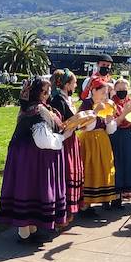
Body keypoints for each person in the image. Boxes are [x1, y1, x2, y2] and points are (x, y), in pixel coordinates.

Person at [0, 77, 69, 243]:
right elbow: (43, 141)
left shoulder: (32, 108)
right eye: (44, 91)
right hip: (32, 157)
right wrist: (64, 137)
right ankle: (25, 232)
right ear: (36, 93)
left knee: (27, 189)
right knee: (28, 189)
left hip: (24, 155)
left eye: (48, 91)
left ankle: (30, 229)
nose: (47, 94)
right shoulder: (37, 111)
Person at [76, 78, 119, 216]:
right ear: (93, 91)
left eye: (106, 93)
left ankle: (96, 200)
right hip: (88, 141)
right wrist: (95, 112)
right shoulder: (86, 104)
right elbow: (83, 125)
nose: (105, 96)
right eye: (102, 92)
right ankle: (84, 204)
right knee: (89, 169)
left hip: (103, 141)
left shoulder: (106, 105)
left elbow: (110, 130)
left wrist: (109, 122)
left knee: (102, 169)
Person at [49, 69, 85, 221]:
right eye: (74, 83)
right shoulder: (58, 100)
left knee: (73, 172)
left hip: (72, 140)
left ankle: (71, 209)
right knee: (65, 173)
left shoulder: (66, 99)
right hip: (65, 141)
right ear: (67, 85)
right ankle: (62, 213)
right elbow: (58, 123)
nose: (76, 85)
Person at [108, 77, 131, 204]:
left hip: (129, 136)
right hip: (116, 136)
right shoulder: (111, 103)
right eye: (119, 89)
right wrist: (125, 113)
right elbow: (114, 123)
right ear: (114, 89)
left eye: (124, 89)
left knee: (128, 163)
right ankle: (114, 197)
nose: (122, 91)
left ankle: (124, 193)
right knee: (117, 164)